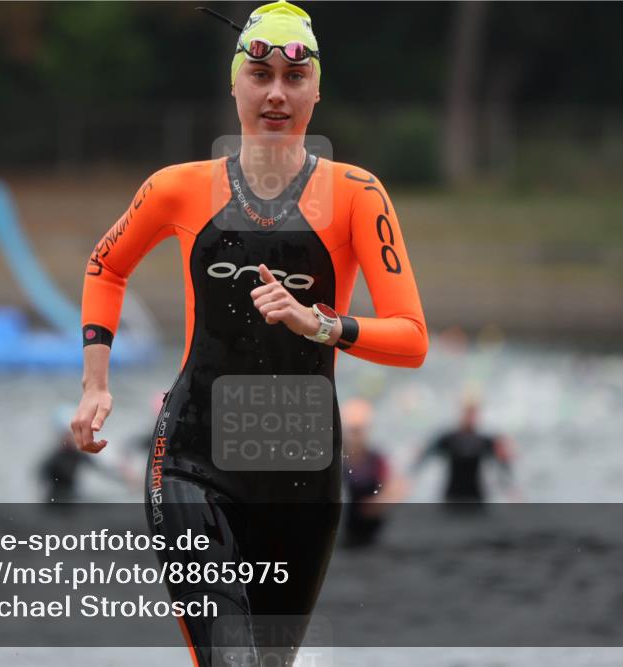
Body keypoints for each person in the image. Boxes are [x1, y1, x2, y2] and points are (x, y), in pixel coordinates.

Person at [71, 2, 427, 664]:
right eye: (258, 74)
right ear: (234, 84)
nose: (275, 93)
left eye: (294, 79)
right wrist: (95, 382)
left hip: (302, 476)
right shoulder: (177, 189)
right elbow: (105, 265)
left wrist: (319, 322)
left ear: (317, 90)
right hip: (190, 459)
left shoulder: (358, 195)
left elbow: (412, 338)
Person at [410, 397, 518, 505]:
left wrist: (510, 489)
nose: (470, 417)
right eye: (467, 412)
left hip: (476, 497)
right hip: (452, 497)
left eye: (473, 413)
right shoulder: (449, 438)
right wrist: (409, 476)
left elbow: (503, 466)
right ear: (461, 413)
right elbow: (424, 456)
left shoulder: (485, 441)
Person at [340, 398, 408, 549]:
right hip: (346, 533)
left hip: (374, 534)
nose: (355, 437)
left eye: (360, 430)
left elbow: (399, 486)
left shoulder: (376, 459)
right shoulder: (336, 459)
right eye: (352, 430)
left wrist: (377, 503)